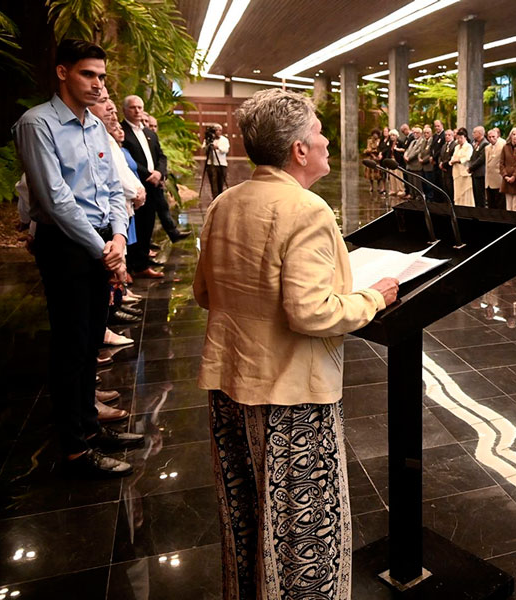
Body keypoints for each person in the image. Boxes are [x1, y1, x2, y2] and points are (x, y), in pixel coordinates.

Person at [193, 89, 399, 599]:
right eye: (318, 132)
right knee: (302, 537)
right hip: (292, 401)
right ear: (298, 151)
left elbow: (203, 291)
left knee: (246, 517)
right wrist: (371, 298)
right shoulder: (306, 210)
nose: (327, 140)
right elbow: (312, 311)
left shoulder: (225, 203)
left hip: (230, 387)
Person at [13, 39, 145, 477]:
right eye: (89, 74)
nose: (97, 84)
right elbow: (54, 200)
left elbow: (111, 189)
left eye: (102, 77)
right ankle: (74, 447)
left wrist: (120, 238)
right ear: (63, 72)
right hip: (66, 245)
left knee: (91, 342)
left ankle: (90, 427)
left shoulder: (94, 126)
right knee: (70, 348)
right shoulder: (38, 124)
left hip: (102, 243)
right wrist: (104, 249)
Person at [122, 95, 189, 255]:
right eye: (133, 107)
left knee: (149, 224)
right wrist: (149, 174)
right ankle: (136, 263)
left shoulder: (148, 132)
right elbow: (125, 159)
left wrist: (159, 173)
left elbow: (161, 156)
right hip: (137, 185)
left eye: (140, 107)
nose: (137, 110)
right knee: (137, 225)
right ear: (124, 110)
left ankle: (144, 261)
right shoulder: (122, 132)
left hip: (154, 184)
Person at [203, 123, 230, 199]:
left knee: (220, 183)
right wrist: (209, 145)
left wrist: (217, 147)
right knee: (213, 183)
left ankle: (220, 198)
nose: (218, 132)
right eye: (216, 130)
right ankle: (215, 198)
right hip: (211, 164)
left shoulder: (224, 140)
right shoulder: (208, 139)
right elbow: (204, 149)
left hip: (222, 164)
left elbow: (225, 150)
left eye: (220, 130)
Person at [450, 127, 475, 207]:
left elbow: (467, 157)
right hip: (456, 173)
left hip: (464, 172)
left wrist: (458, 160)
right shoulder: (457, 147)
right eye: (458, 138)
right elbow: (453, 158)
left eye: (461, 138)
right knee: (457, 192)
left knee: (465, 191)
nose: (459, 140)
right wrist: (453, 161)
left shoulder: (468, 146)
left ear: (465, 137)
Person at [468, 125, 489, 208]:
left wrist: (471, 167)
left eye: (474, 132)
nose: (473, 134)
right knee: (476, 195)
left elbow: (481, 159)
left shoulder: (485, 143)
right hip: (475, 172)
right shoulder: (476, 143)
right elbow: (473, 156)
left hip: (480, 173)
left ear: (480, 133)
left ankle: (481, 212)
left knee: (480, 195)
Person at [485, 127, 506, 209]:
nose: (491, 139)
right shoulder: (487, 148)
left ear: (497, 136)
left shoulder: (503, 145)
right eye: (489, 137)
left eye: (493, 136)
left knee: (500, 203)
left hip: (499, 178)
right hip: (489, 179)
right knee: (491, 203)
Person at [404, 126, 425, 199]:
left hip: (416, 164)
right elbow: (407, 150)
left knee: (417, 182)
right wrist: (405, 156)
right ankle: (412, 194)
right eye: (414, 133)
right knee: (411, 181)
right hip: (409, 165)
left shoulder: (422, 141)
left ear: (420, 134)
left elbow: (417, 151)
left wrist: (409, 158)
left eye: (417, 133)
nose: (415, 134)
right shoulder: (412, 141)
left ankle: (418, 195)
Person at [383, 129, 404, 197]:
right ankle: (393, 189)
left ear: (396, 136)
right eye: (391, 135)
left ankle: (401, 190)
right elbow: (388, 151)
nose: (392, 137)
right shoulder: (390, 143)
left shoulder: (400, 142)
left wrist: (398, 150)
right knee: (392, 176)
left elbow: (404, 150)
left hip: (398, 161)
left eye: (393, 135)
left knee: (398, 176)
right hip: (391, 160)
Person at [363, 129, 383, 194]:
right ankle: (371, 186)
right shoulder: (369, 141)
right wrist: (372, 153)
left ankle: (378, 186)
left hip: (377, 159)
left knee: (378, 173)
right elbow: (368, 149)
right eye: (374, 134)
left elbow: (380, 149)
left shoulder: (380, 141)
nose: (375, 135)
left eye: (376, 134)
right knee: (370, 173)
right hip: (371, 158)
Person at [418, 125, 436, 201]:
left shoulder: (432, 141)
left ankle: (430, 197)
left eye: (427, 133)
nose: (426, 134)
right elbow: (420, 151)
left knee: (429, 183)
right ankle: (425, 196)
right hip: (422, 166)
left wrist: (424, 160)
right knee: (423, 183)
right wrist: (419, 157)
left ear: (431, 133)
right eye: (424, 133)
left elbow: (430, 153)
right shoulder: (423, 141)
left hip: (428, 165)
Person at [439, 128, 456, 200]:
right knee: (444, 187)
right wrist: (440, 163)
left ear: (452, 136)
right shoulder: (444, 146)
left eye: (449, 135)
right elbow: (440, 156)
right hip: (443, 170)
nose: (447, 136)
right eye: (446, 135)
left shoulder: (455, 145)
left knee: (450, 188)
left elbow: (451, 157)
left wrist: (443, 164)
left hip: (449, 169)